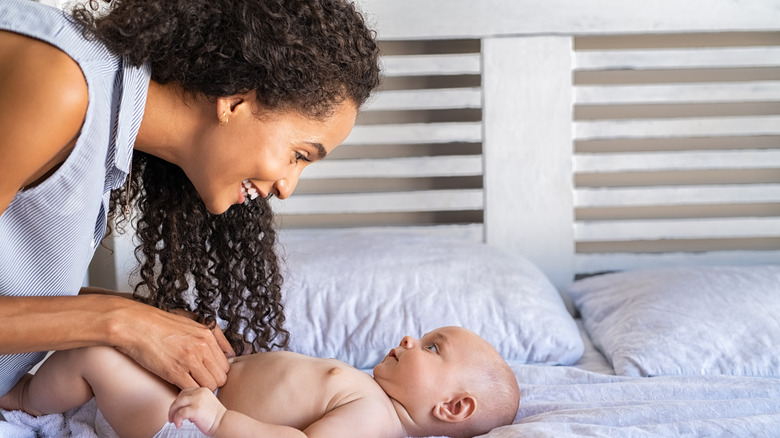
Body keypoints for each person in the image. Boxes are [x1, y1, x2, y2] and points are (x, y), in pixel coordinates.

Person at [0, 0, 380, 397]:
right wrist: (120, 322)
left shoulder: (103, 115)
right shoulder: (59, 85)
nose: (287, 187)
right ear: (235, 102)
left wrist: (150, 319)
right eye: (299, 155)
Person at [0, 326, 520, 438]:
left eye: (431, 348)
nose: (410, 338)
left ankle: (19, 401)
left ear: (453, 408)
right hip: (193, 408)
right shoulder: (369, 389)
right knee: (116, 355)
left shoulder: (373, 418)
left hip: (188, 430)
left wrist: (221, 417)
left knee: (96, 350)